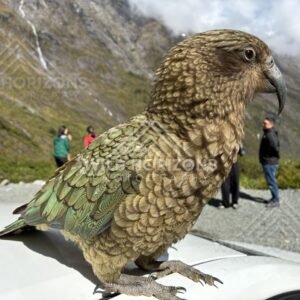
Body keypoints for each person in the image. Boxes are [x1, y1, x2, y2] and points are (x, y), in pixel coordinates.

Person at [259, 117, 280, 208]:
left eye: (265, 123)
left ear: (271, 124)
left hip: (269, 162)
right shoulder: (268, 133)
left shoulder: (270, 135)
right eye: (263, 123)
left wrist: (269, 156)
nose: (263, 125)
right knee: (271, 180)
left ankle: (275, 200)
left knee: (271, 181)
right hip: (269, 161)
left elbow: (275, 147)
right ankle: (274, 197)